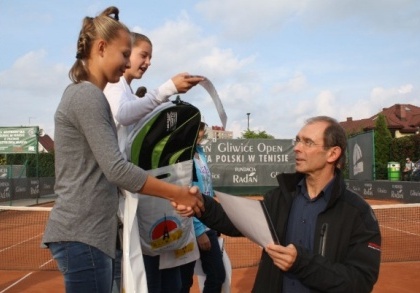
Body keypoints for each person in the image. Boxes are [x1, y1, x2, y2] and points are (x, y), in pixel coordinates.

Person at [41, 7, 203, 293]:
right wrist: (176, 192)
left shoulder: (90, 96)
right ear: (101, 48)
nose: (128, 62)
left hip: (93, 233)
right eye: (125, 54)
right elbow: (116, 169)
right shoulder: (87, 95)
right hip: (82, 233)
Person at [191, 116, 381, 293]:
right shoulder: (280, 198)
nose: (297, 148)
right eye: (297, 140)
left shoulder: (358, 213)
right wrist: (201, 203)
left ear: (332, 153)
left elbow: (360, 281)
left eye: (308, 142)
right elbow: (235, 221)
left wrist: (301, 263)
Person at [104, 32, 203, 293]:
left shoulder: (125, 89)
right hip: (117, 200)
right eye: (142, 55)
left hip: (133, 197)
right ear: (125, 53)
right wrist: (166, 89)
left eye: (150, 57)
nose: (147, 62)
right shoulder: (115, 86)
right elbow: (123, 116)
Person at [179, 122, 226, 293]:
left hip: (207, 222)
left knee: (217, 275)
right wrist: (199, 231)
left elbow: (208, 187)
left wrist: (214, 221)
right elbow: (186, 192)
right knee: (184, 281)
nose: (201, 135)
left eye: (202, 132)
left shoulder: (200, 151)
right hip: (191, 227)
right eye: (199, 132)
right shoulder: (184, 155)